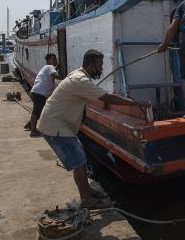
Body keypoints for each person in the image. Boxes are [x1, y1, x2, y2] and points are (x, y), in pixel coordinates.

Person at [37, 49, 150, 209]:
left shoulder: (79, 76)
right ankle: (86, 199)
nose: (102, 69)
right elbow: (108, 98)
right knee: (79, 161)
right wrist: (136, 103)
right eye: (100, 65)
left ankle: (87, 190)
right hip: (55, 126)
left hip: (56, 124)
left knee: (80, 159)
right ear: (91, 66)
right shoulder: (81, 80)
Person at [24, 53, 60, 137]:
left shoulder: (48, 68)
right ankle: (33, 131)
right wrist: (68, 75)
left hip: (37, 92)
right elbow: (56, 76)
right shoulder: (49, 67)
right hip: (39, 93)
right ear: (48, 61)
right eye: (53, 59)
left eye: (56, 59)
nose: (55, 61)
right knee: (36, 111)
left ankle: (28, 125)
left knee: (39, 111)